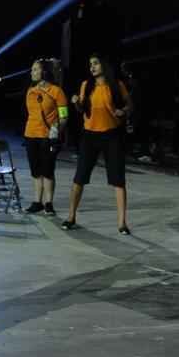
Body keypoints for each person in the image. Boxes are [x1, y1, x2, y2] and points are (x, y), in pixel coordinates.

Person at [64, 54, 132, 234]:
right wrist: (76, 103)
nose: (92, 67)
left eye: (95, 63)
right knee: (80, 177)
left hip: (112, 135)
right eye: (90, 64)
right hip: (90, 135)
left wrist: (122, 111)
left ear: (104, 65)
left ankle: (122, 223)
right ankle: (71, 217)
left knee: (118, 180)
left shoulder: (117, 85)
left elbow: (129, 105)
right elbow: (81, 110)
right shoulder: (86, 86)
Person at [23, 59, 69, 216]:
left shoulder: (56, 91)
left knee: (48, 171)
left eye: (35, 69)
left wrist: (57, 129)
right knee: (36, 171)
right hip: (30, 135)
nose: (32, 72)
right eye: (32, 69)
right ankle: (37, 202)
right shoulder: (31, 91)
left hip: (48, 137)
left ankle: (48, 203)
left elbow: (64, 115)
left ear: (43, 72)